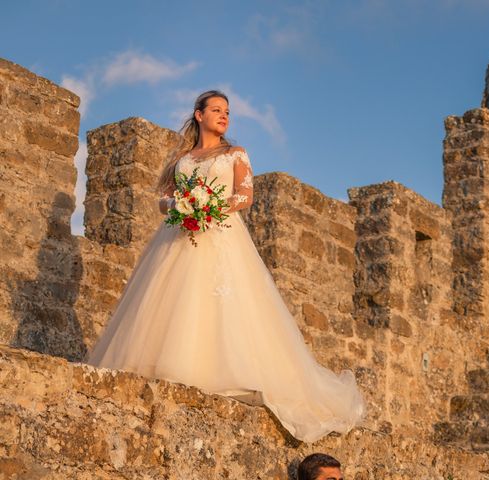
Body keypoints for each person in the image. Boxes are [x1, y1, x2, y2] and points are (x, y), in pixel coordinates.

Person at [84, 90, 366, 443]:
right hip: (179, 234)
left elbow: (246, 196)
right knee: (170, 298)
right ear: (199, 115)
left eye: (227, 112)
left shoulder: (235, 154)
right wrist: (182, 204)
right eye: (216, 110)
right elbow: (161, 199)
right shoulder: (183, 158)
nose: (224, 116)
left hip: (221, 231)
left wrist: (209, 205)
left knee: (224, 299)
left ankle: (227, 373)